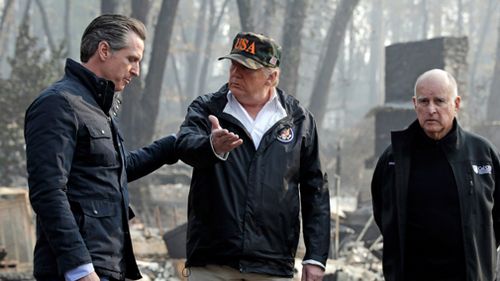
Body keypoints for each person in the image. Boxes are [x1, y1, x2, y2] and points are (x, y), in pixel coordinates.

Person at [24, 14, 177, 281]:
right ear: (104, 50)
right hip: (76, 272)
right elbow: (47, 191)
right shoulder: (58, 104)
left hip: (106, 265)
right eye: (132, 59)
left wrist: (175, 144)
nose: (137, 71)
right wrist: (80, 269)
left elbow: (116, 170)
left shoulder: (97, 108)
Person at [175, 32, 330, 281]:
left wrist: (316, 256)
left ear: (272, 76)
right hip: (212, 261)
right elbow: (184, 146)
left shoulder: (299, 120)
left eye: (246, 68)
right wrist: (210, 146)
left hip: (272, 262)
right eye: (233, 65)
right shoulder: (208, 108)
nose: (235, 73)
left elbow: (316, 191)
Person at [371, 68, 500, 281]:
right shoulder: (394, 158)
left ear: (456, 104)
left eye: (439, 101)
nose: (431, 109)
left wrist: (479, 250)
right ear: (414, 104)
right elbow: (383, 214)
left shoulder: (482, 154)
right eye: (424, 101)